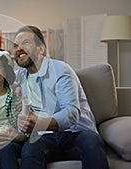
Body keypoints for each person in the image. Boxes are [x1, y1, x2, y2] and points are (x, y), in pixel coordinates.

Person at [12, 25, 109, 169]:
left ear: (41, 48)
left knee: (91, 143)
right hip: (44, 137)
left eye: (25, 43)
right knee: (29, 149)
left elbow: (71, 113)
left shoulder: (60, 69)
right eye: (15, 46)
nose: (18, 49)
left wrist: (38, 123)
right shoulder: (20, 75)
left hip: (76, 133)